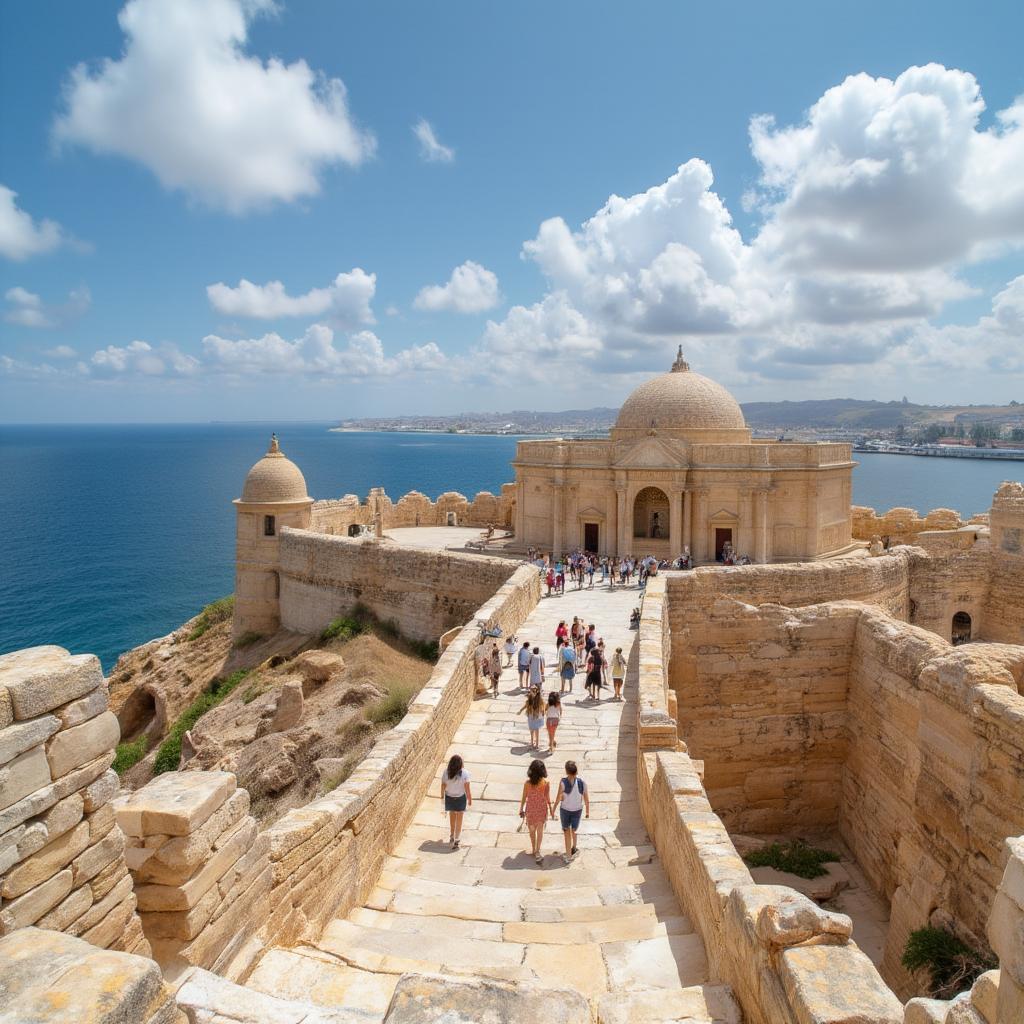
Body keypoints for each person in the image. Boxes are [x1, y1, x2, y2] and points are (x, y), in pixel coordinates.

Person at [551, 760, 589, 864]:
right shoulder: (582, 782)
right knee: (574, 830)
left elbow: (558, 797)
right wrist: (587, 812)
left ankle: (568, 856)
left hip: (565, 811)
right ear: (576, 772)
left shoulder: (563, 782)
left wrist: (553, 810)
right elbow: (586, 798)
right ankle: (574, 848)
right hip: (577, 811)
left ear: (566, 771)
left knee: (566, 832)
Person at [518, 758, 552, 863]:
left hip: (530, 810)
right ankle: (537, 851)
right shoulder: (546, 783)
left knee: (532, 830)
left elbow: (524, 797)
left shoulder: (527, 784)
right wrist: (551, 810)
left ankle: (533, 848)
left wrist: (521, 808)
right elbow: (547, 799)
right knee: (540, 831)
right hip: (541, 809)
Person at [440, 754, 472, 850]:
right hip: (460, 798)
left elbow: (443, 786)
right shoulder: (465, 773)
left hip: (449, 797)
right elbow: (467, 789)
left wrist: (442, 797)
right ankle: (457, 838)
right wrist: (470, 799)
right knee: (459, 819)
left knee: (452, 817)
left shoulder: (446, 772)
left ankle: (452, 835)